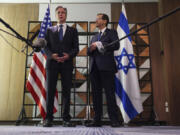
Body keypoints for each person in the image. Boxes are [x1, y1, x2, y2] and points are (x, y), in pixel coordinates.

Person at [43, 6, 79, 127]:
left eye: (63, 12)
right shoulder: (49, 30)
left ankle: (66, 119)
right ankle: (48, 118)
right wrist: (51, 55)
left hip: (67, 64)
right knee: (50, 91)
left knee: (66, 92)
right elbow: (45, 47)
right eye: (58, 12)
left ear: (66, 15)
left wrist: (68, 56)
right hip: (52, 64)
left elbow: (76, 48)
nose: (61, 14)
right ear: (55, 15)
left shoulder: (73, 30)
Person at [87, 13, 121, 127]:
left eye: (98, 19)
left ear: (105, 21)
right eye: (96, 18)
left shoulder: (112, 33)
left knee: (109, 94)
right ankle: (97, 120)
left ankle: (114, 120)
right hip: (94, 68)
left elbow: (116, 45)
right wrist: (91, 48)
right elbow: (88, 52)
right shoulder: (94, 36)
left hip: (107, 68)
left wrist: (100, 44)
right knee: (96, 95)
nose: (96, 20)